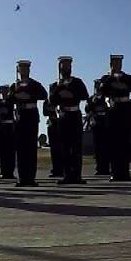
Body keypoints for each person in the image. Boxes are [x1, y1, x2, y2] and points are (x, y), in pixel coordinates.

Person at [98, 54, 131, 182]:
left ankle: (125, 172)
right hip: (113, 109)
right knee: (113, 143)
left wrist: (123, 86)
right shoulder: (106, 78)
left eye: (119, 63)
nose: (117, 65)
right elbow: (101, 91)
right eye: (115, 63)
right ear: (111, 65)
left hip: (125, 109)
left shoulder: (127, 78)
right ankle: (115, 172)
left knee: (125, 142)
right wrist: (111, 79)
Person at [8, 59, 47, 188]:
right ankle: (22, 178)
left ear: (29, 70)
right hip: (20, 116)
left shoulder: (34, 84)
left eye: (25, 68)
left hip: (31, 116)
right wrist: (16, 95)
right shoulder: (14, 86)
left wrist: (29, 95)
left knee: (31, 148)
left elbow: (44, 95)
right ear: (18, 70)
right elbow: (8, 100)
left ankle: (30, 178)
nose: (23, 70)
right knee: (20, 149)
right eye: (21, 68)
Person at [49, 56, 88, 184]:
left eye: (68, 66)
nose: (66, 68)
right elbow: (51, 100)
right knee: (64, 147)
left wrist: (72, 94)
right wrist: (59, 88)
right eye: (63, 66)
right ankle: (67, 174)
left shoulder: (77, 82)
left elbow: (85, 95)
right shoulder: (55, 85)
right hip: (63, 116)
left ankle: (77, 175)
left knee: (76, 146)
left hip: (75, 114)